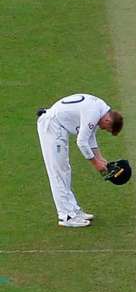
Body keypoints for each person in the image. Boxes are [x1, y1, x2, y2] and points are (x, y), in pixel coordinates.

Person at [36, 94, 124, 227]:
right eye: (106, 128)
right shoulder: (95, 112)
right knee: (59, 173)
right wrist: (96, 164)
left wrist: (100, 158)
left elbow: (90, 136)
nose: (103, 129)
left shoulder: (100, 108)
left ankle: (74, 211)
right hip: (51, 127)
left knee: (65, 171)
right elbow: (82, 142)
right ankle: (66, 216)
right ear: (107, 121)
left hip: (57, 128)